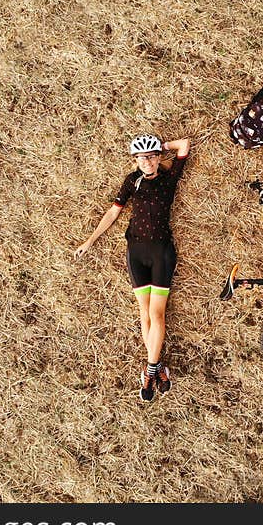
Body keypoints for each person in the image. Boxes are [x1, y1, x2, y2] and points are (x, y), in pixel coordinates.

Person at [74, 134, 191, 401]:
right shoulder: (131, 181)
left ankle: (151, 370)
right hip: (136, 252)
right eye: (142, 158)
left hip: (162, 252)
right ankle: (156, 366)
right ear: (135, 160)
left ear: (159, 157)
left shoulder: (169, 178)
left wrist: (160, 147)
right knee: (145, 313)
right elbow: (114, 212)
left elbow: (183, 145)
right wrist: (89, 241)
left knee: (157, 314)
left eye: (151, 157)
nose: (147, 162)